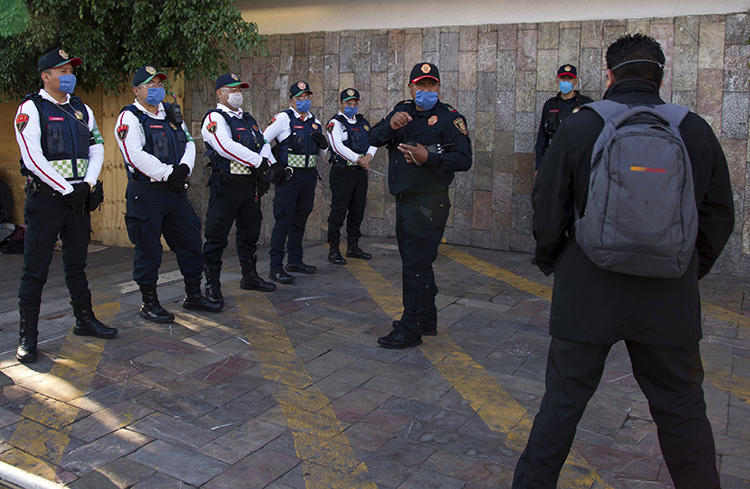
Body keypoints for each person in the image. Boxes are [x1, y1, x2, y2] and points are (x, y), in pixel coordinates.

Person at [513, 34, 734, 489]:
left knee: (561, 407)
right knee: (682, 412)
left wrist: (557, 262)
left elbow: (548, 208)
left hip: (588, 290)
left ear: (609, 75)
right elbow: (718, 216)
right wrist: (687, 268)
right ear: (661, 76)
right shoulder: (693, 129)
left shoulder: (580, 126)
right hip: (669, 296)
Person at [13, 48, 117, 363]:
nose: (69, 75)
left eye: (71, 70)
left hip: (77, 200)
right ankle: (27, 337)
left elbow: (96, 146)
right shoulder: (31, 108)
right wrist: (64, 188)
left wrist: (87, 184)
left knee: (77, 264)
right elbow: (32, 157)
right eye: (63, 70)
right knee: (35, 269)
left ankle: (84, 319)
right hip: (47, 201)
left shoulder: (82, 109)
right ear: (46, 76)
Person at [369, 62, 472, 349]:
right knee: (418, 263)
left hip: (430, 203)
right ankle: (427, 319)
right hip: (405, 200)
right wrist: (390, 125)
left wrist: (430, 158)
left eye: (431, 85)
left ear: (439, 87)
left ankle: (410, 327)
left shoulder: (449, 118)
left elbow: (464, 160)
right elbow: (372, 139)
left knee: (415, 265)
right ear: (411, 87)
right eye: (420, 85)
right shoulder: (401, 113)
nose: (425, 90)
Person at [115, 65, 220, 323]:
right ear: (136, 90)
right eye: (150, 86)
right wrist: (167, 173)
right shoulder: (129, 117)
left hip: (174, 191)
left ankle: (193, 294)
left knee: (190, 240)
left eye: (159, 84)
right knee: (148, 248)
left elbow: (188, 143)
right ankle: (149, 302)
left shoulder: (170, 113)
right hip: (146, 192)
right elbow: (134, 155)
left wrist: (184, 168)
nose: (156, 89)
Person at [201, 73, 276, 307]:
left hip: (249, 185)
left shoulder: (248, 119)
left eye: (240, 89)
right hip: (227, 184)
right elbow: (225, 146)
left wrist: (268, 165)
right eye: (232, 89)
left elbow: (262, 142)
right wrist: (258, 162)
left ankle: (249, 275)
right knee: (216, 236)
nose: (237, 94)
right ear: (219, 93)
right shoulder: (215, 118)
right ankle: (212, 284)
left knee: (249, 232)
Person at [263, 81, 329, 284]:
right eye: (299, 98)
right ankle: (275, 267)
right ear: (291, 100)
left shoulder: (314, 121)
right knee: (283, 221)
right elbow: (263, 140)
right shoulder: (284, 118)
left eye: (307, 97)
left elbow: (323, 154)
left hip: (308, 177)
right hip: (289, 177)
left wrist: (324, 144)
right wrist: (274, 165)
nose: (304, 101)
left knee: (300, 220)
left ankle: (295, 260)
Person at [325, 88, 377, 265]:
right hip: (342, 172)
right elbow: (337, 146)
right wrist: (358, 158)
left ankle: (353, 246)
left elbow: (373, 141)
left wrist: (368, 157)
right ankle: (333, 248)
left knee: (358, 209)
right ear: (341, 104)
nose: (352, 106)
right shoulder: (335, 123)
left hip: (359, 172)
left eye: (355, 103)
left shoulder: (362, 122)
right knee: (339, 210)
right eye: (348, 103)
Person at [534, 64, 593, 173]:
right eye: (563, 78)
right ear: (557, 80)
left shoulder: (585, 104)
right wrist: (538, 166)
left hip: (577, 159)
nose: (565, 81)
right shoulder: (550, 105)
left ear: (575, 81)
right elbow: (542, 137)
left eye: (569, 79)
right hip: (554, 157)